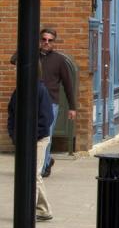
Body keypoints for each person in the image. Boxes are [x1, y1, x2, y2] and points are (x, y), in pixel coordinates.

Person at [10, 28, 77, 178]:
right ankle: (44, 161)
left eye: (50, 40)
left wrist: (72, 107)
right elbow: (14, 59)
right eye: (44, 39)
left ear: (54, 42)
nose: (46, 42)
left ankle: (44, 166)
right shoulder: (31, 54)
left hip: (50, 103)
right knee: (30, 134)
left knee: (46, 135)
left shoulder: (59, 60)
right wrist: (30, 46)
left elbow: (68, 85)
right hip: (30, 101)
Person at [7, 83, 56, 221]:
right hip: (24, 140)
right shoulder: (18, 90)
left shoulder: (41, 90)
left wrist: (32, 136)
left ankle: (28, 213)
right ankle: (44, 210)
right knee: (32, 174)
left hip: (39, 139)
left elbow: (47, 118)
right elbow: (12, 113)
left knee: (33, 174)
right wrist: (13, 134)